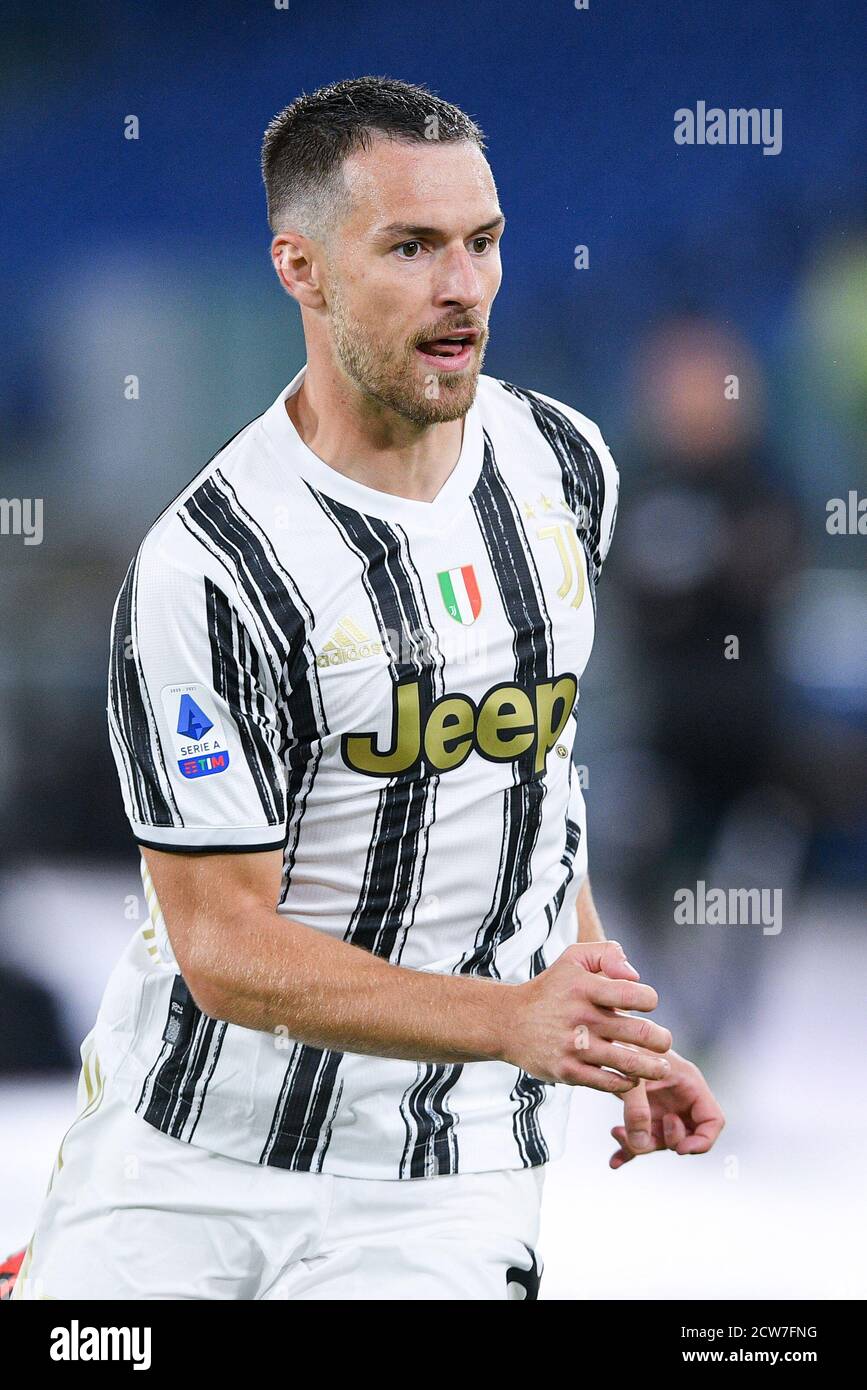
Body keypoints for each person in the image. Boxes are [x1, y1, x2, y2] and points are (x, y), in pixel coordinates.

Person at [13, 76, 723, 1302]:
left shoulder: (563, 466)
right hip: (189, 1151)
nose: (465, 288)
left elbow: (528, 786)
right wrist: (512, 1018)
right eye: (412, 247)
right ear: (301, 266)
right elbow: (222, 944)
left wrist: (595, 1016)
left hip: (443, 1172)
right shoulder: (213, 567)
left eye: (484, 242)